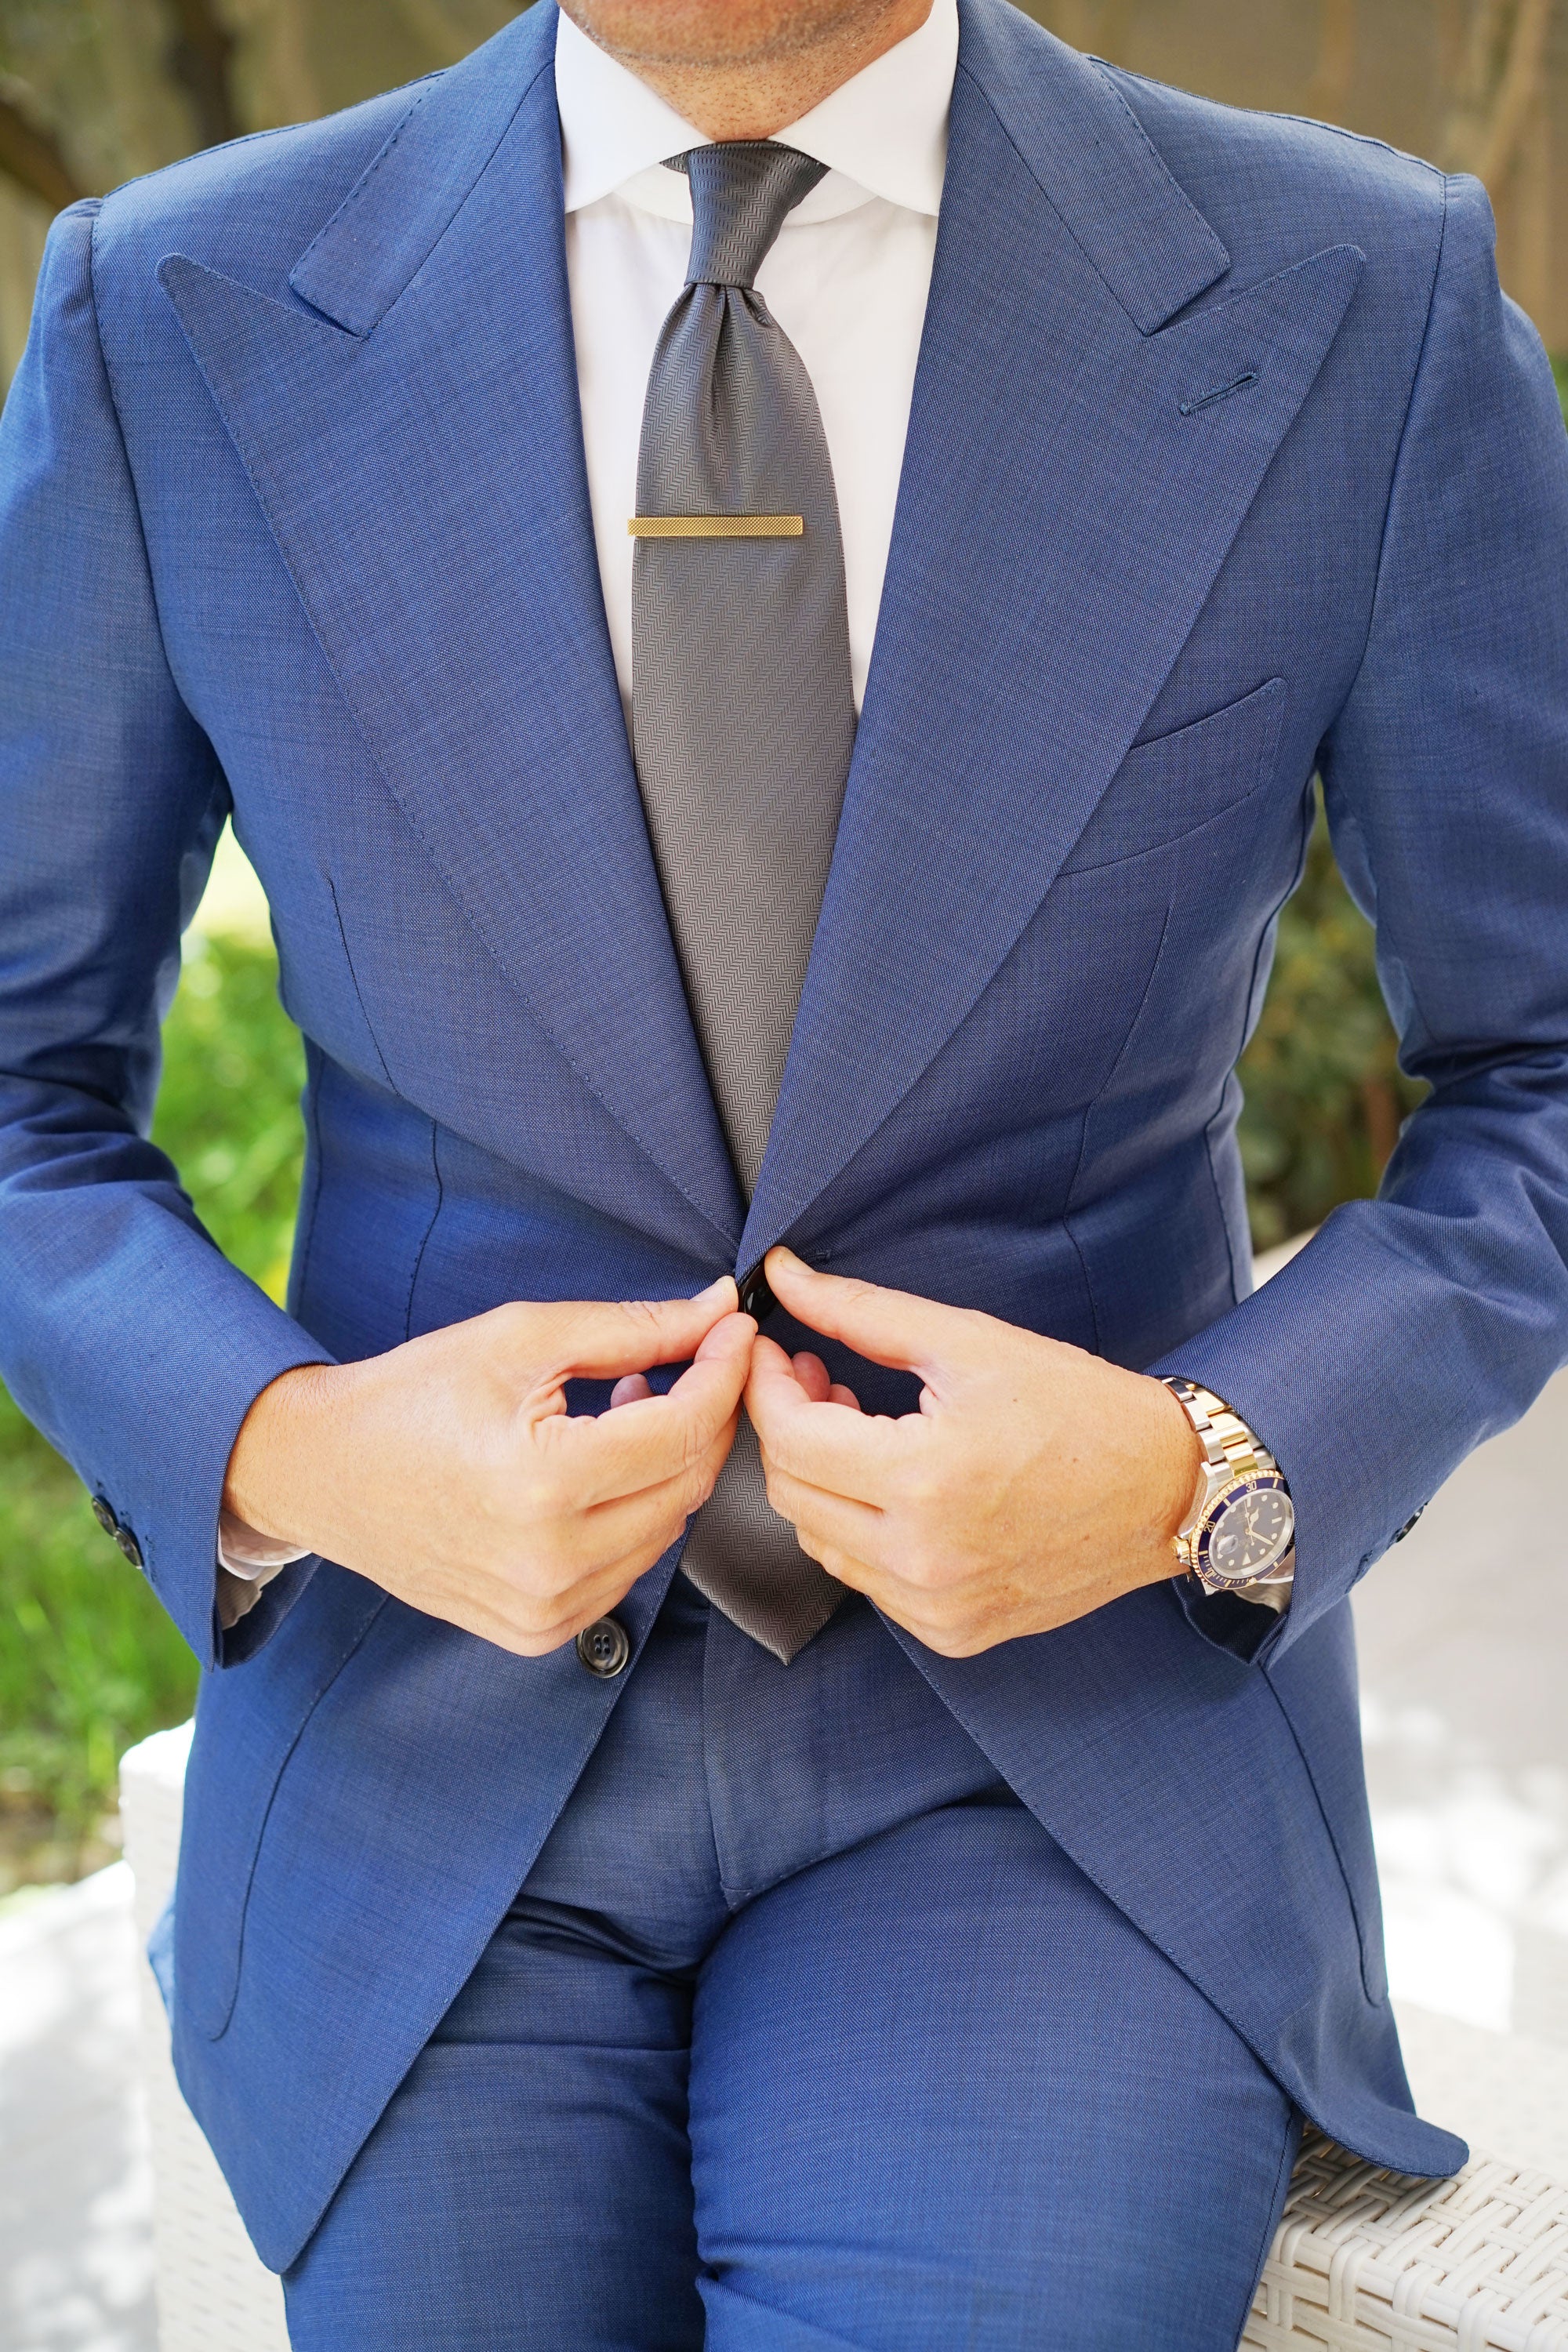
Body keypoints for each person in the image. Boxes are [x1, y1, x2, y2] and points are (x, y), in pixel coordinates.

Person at [2, 0, 1566, 2339]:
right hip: (428, 1764)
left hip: (1063, 1766)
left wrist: (1195, 1470)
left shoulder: (1366, 297)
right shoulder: (178, 305)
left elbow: (1538, 1071)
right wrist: (296, 1454)